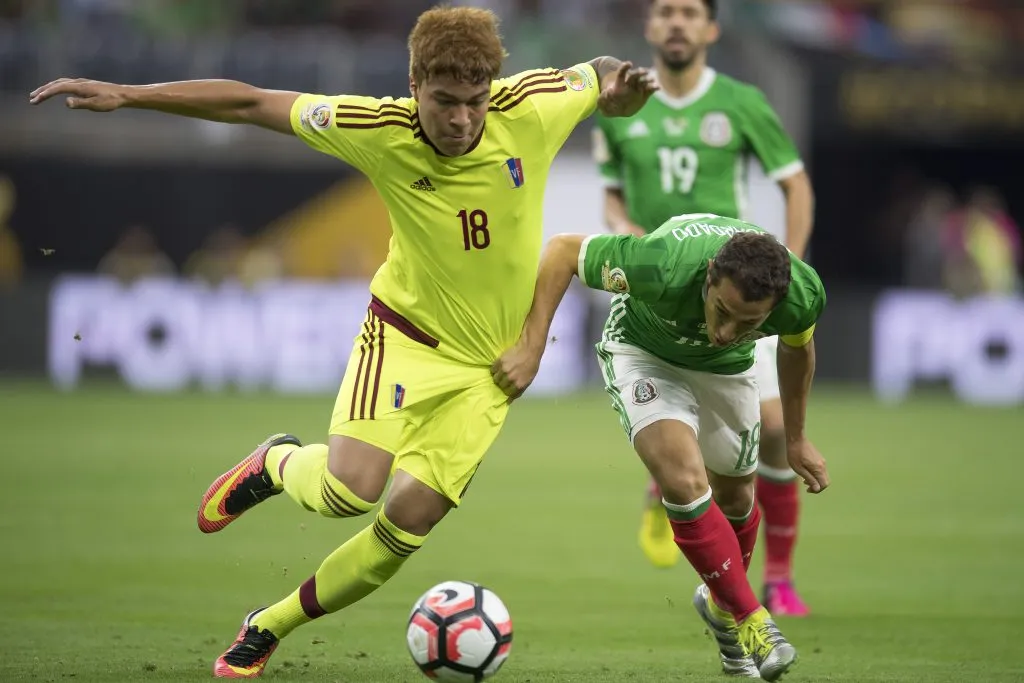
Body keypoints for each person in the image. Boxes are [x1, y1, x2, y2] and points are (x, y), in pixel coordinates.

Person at [31, 6, 656, 679]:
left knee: (402, 531)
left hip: (488, 372)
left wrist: (619, 90)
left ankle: (267, 624)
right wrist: (129, 94)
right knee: (348, 491)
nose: (462, 120)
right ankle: (275, 465)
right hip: (404, 339)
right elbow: (250, 103)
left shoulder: (532, 107)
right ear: (414, 83)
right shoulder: (375, 127)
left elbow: (597, 75)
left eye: (475, 102)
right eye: (445, 101)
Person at [492, 214, 829, 681]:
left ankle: (722, 610)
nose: (727, 330)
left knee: (736, 499)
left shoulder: (801, 295)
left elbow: (796, 351)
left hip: (726, 371)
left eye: (747, 321)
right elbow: (563, 252)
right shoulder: (662, 264)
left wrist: (795, 438)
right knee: (685, 480)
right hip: (644, 354)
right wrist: (532, 347)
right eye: (721, 311)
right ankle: (751, 621)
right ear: (710, 274)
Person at [591, 0, 816, 617]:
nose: (677, 22)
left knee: (773, 431)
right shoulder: (621, 103)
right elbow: (609, 194)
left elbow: (794, 182)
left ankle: (779, 577)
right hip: (662, 282)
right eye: (665, 11)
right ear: (649, 28)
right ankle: (672, 488)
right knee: (685, 429)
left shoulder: (742, 102)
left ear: (711, 29)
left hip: (736, 289)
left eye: (690, 12)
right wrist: (630, 236)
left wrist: (786, 266)